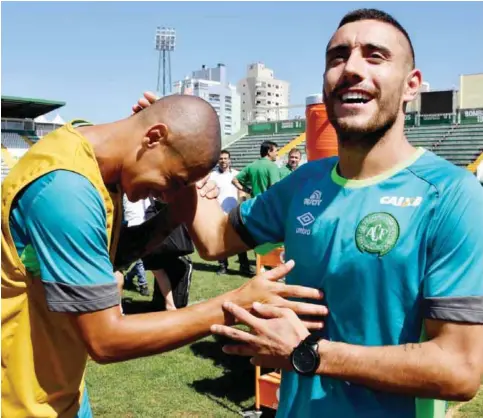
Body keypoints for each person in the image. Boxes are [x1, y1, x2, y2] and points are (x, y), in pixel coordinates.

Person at [138, 8, 483, 418]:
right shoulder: (305, 182)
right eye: (337, 57)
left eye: (375, 56)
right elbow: (214, 240)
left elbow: (459, 370)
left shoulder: (451, 194)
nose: (351, 68)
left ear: (412, 86)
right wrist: (177, 160)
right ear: (324, 85)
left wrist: (306, 353)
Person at [1, 94, 328, 418]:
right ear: (154, 137)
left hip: (60, 390)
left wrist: (172, 214)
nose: (170, 195)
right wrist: (232, 305)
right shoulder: (67, 190)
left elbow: (106, 259)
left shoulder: (96, 159)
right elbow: (106, 339)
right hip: (21, 402)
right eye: (173, 180)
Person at [209, 150, 254, 276]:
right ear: (218, 161)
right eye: (221, 159)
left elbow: (242, 192)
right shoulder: (212, 176)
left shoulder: (236, 174)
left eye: (225, 158)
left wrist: (243, 205)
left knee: (240, 240)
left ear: (230, 160)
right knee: (221, 241)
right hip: (219, 214)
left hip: (235, 213)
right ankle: (223, 266)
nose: (223, 161)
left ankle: (244, 266)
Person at [122, 194, 150, 296]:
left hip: (145, 224)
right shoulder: (127, 192)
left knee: (143, 257)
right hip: (132, 225)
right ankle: (143, 284)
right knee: (139, 258)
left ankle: (129, 277)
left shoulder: (144, 193)